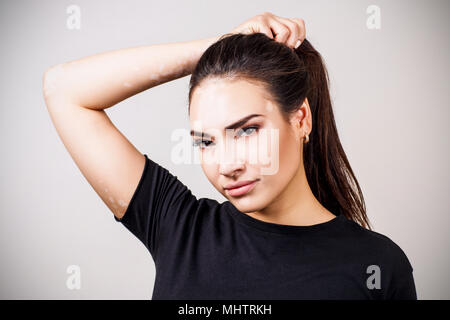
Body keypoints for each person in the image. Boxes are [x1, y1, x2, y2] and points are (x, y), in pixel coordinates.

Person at [43, 12, 417, 300]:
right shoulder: (178, 227)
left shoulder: (377, 266)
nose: (227, 165)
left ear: (301, 118)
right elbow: (63, 89)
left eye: (247, 131)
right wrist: (220, 45)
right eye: (206, 142)